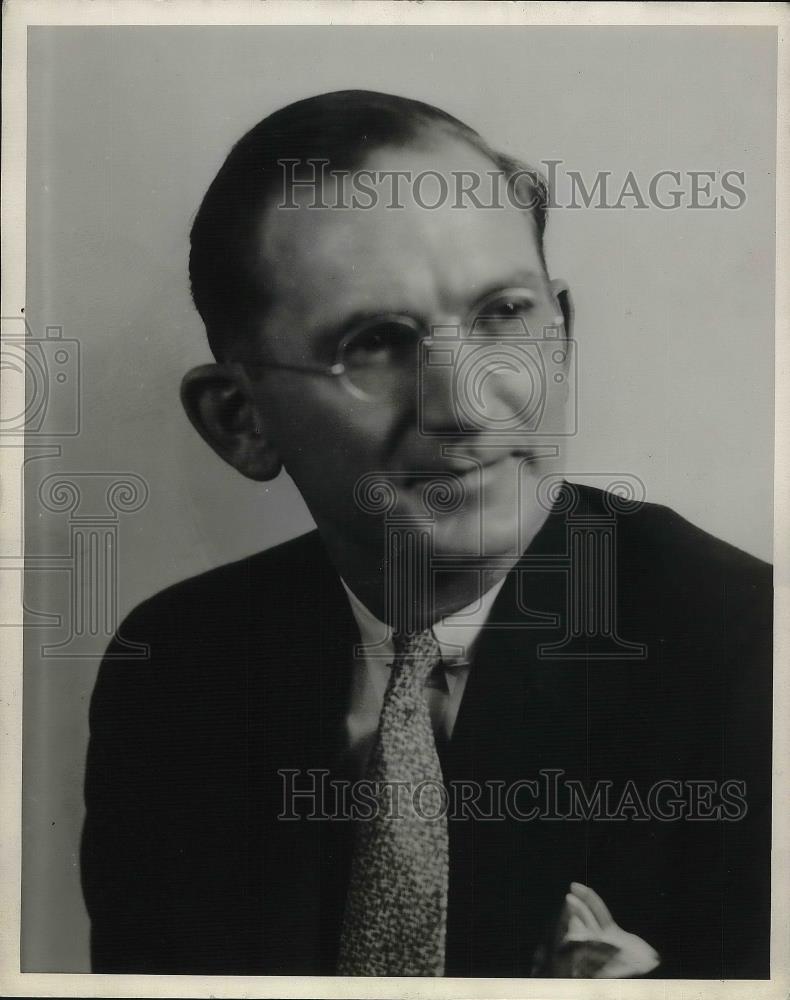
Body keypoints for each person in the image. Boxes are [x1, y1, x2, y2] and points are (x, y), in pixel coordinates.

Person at [81, 90, 772, 979]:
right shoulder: (178, 667)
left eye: (505, 315)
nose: (469, 400)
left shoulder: (744, 653)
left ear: (564, 337)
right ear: (240, 420)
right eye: (375, 340)